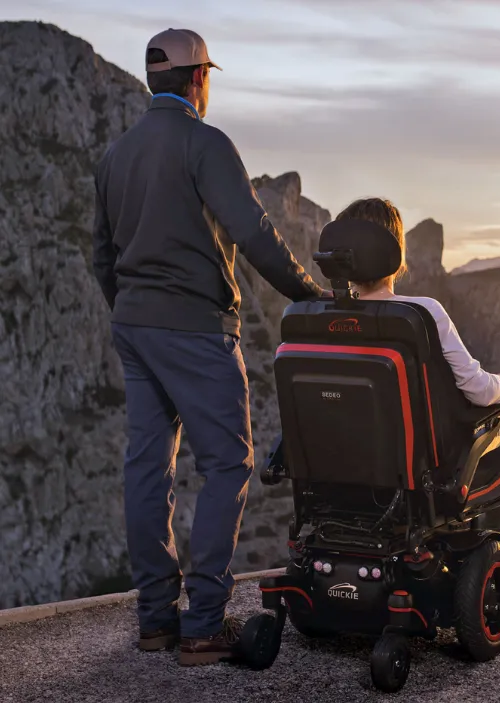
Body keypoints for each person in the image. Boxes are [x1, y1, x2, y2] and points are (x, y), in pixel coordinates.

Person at [91, 28, 325, 666]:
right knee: (226, 463)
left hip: (134, 328)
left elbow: (101, 257)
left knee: (147, 467)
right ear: (199, 79)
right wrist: (310, 296)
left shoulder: (116, 155)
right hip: (194, 329)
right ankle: (202, 623)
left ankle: (156, 619)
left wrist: (135, 313)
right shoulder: (205, 143)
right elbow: (254, 233)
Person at [333, 197, 500, 550]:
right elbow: (481, 392)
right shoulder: (423, 314)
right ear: (395, 253)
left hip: (340, 473)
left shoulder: (319, 317)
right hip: (420, 480)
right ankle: (499, 537)